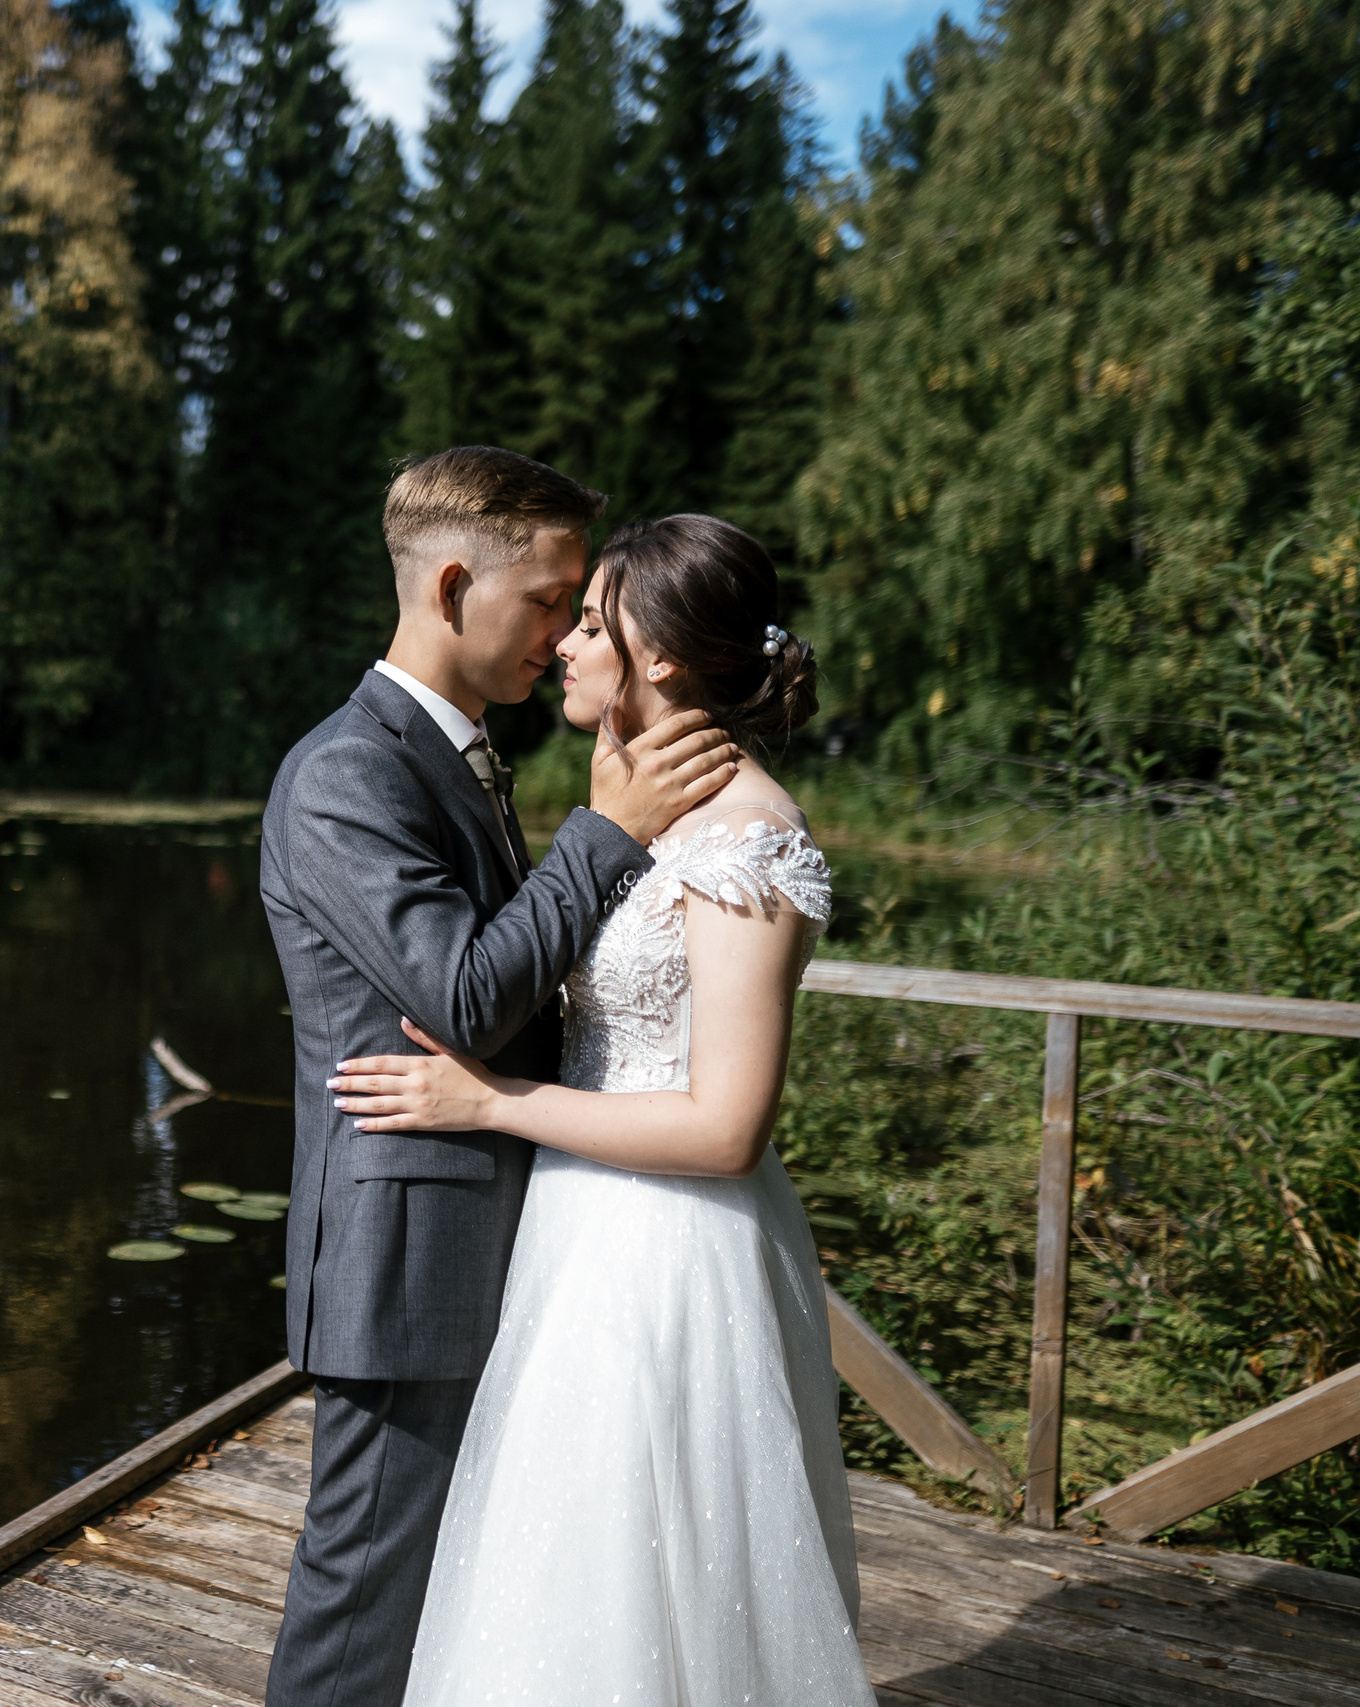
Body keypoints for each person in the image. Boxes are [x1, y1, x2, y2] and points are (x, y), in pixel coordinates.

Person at [328, 513, 876, 1706]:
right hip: (579, 1235)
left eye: (591, 623)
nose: (565, 645)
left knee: (642, 1574)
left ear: (662, 656)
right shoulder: (632, 803)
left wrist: (491, 1101)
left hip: (668, 1255)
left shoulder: (746, 836)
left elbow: (727, 1128)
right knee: (560, 1573)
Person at [258, 450, 742, 1707]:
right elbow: (467, 996)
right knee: (362, 1609)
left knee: (451, 1602)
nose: (566, 632)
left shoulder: (457, 756)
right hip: (407, 1257)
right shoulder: (344, 775)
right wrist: (608, 835)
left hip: (509, 1244)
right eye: (549, 600)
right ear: (454, 582)